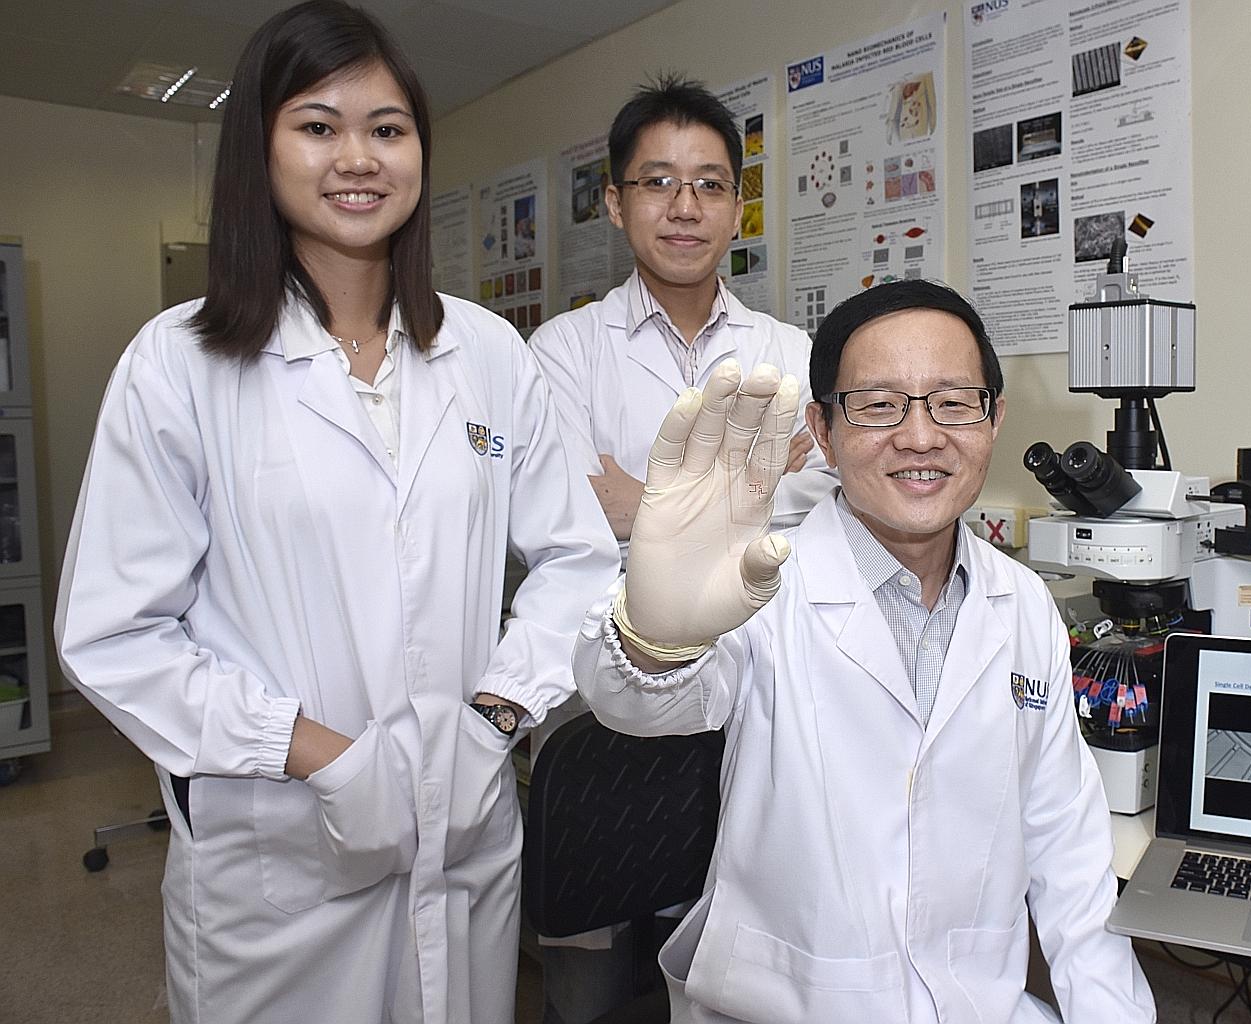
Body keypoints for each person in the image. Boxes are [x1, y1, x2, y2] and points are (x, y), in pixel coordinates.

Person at [53, 4, 619, 1022]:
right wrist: (318, 752)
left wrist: (496, 715)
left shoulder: (487, 354)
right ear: (260, 148)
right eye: (318, 126)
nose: (358, 157)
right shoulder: (178, 364)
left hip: (464, 834)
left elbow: (578, 563)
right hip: (278, 856)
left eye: (387, 129)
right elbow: (115, 633)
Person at [573, 280, 1156, 1023]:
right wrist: (657, 636)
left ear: (994, 418)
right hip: (786, 1005)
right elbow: (636, 705)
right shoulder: (760, 584)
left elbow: (1067, 845)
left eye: (953, 402)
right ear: (822, 429)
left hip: (978, 1005)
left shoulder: (1024, 604)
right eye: (879, 406)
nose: (920, 437)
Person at [529, 74, 836, 557]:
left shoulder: (791, 350)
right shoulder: (562, 350)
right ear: (615, 204)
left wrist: (647, 506)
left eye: (710, 185)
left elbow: (831, 495)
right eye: (659, 182)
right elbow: (569, 511)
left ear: (736, 212)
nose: (686, 208)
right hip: (616, 603)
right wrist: (755, 488)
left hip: (766, 600)